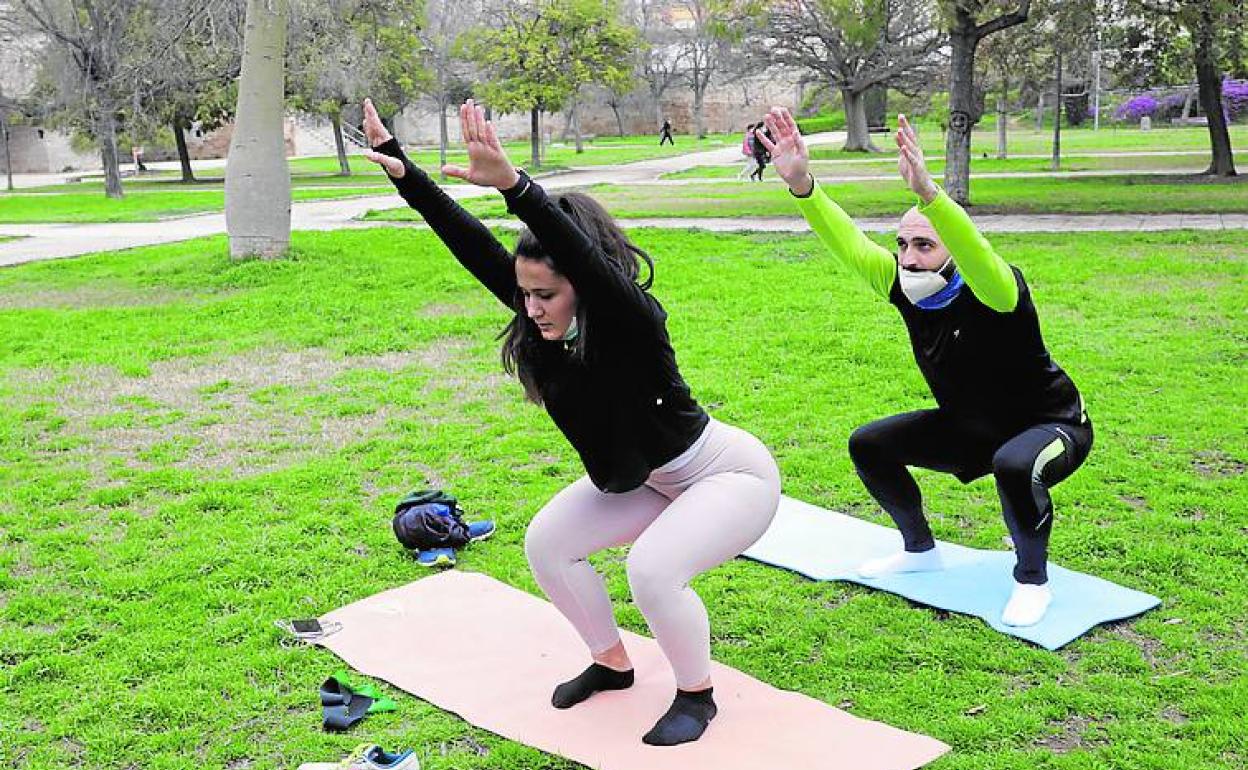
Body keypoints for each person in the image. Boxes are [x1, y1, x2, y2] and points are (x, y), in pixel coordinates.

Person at [362, 98, 781, 746]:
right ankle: (612, 664)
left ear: (583, 284)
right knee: (548, 544)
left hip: (727, 476)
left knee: (653, 570)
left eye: (545, 294)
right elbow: (470, 245)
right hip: (648, 481)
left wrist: (516, 188)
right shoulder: (545, 315)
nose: (529, 308)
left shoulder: (631, 321)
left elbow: (583, 264)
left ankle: (697, 695)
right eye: (523, 293)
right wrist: (406, 174)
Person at [756, 107, 1092, 628]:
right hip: (972, 429)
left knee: (1014, 464)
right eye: (903, 244)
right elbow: (847, 242)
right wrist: (803, 185)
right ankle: (919, 550)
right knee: (869, 443)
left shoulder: (997, 291)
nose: (908, 258)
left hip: (1051, 427)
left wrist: (932, 196)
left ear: (951, 251)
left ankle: (1032, 581)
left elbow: (978, 250)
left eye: (924, 244)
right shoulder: (902, 286)